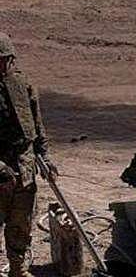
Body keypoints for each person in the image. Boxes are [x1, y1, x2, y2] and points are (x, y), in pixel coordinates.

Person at [0, 33, 57, 277]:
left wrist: (45, 156)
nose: (2, 65)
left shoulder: (24, 85)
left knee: (21, 222)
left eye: (5, 60)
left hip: (24, 165)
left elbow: (36, 125)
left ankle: (18, 268)